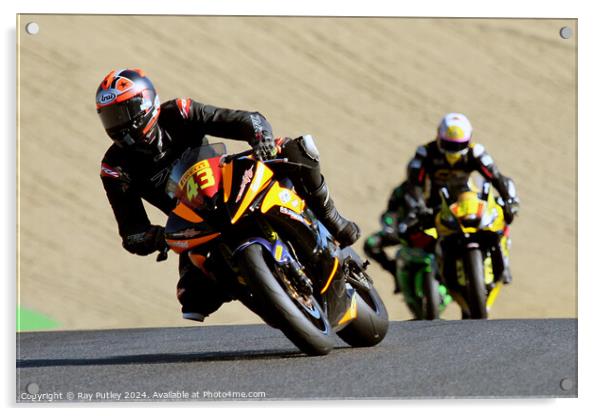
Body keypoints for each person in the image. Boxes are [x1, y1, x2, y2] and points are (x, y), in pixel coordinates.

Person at [96, 68, 360, 322]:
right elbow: (131, 231)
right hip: (194, 222)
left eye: (123, 112)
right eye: (109, 117)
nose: (118, 123)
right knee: (192, 299)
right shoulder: (114, 168)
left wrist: (261, 138)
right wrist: (154, 238)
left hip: (231, 182)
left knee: (295, 149)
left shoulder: (179, 112)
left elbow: (246, 119)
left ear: (146, 103)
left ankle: (331, 217)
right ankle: (262, 291)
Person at [405, 112, 520, 282]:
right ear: (438, 136)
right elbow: (414, 183)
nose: (454, 151)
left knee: (500, 216)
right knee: (411, 233)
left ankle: (503, 262)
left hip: (468, 199)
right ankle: (436, 270)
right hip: (436, 204)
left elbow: (496, 177)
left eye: (459, 145)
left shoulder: (476, 152)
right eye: (448, 144)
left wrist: (509, 200)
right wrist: (419, 207)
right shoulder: (425, 153)